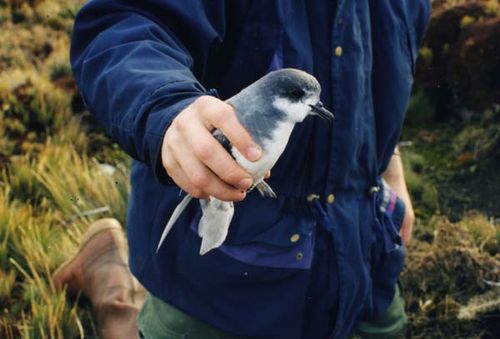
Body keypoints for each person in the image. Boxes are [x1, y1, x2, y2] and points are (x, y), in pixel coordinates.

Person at [54, 1, 431, 338]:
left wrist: (389, 171)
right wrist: (166, 108)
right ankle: (111, 285)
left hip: (367, 258)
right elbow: (125, 21)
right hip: (225, 278)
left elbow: (375, 82)